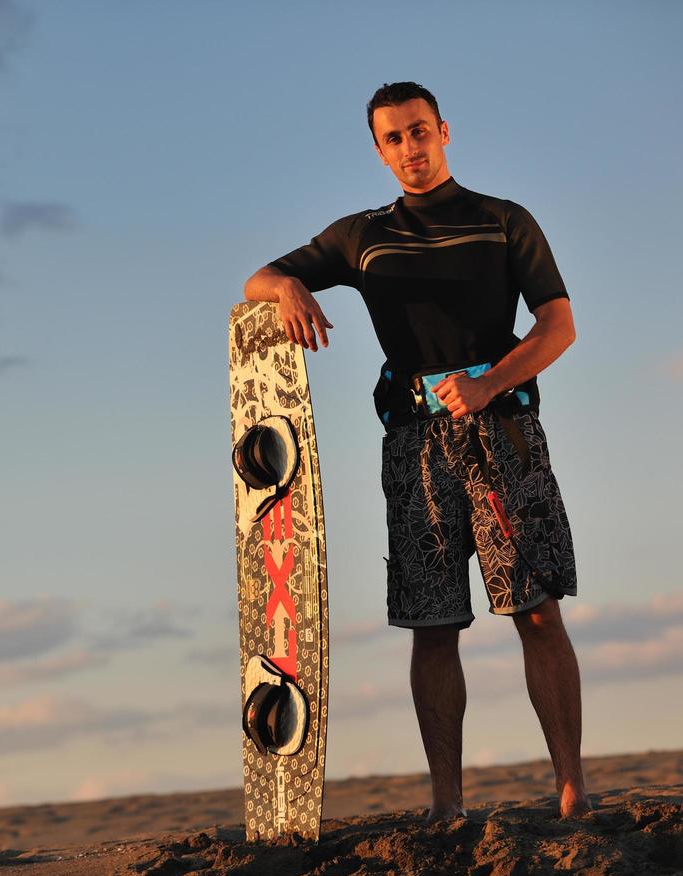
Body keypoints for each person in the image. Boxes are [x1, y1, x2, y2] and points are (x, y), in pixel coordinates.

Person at [243, 81, 591, 821]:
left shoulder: (503, 221)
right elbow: (258, 277)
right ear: (379, 149)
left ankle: (571, 791)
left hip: (504, 435)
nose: (411, 148)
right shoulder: (361, 234)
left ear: (444, 132)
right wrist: (288, 293)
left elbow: (558, 326)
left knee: (536, 611)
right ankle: (446, 807)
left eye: (420, 131)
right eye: (394, 138)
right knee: (431, 626)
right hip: (413, 446)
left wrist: (493, 381)